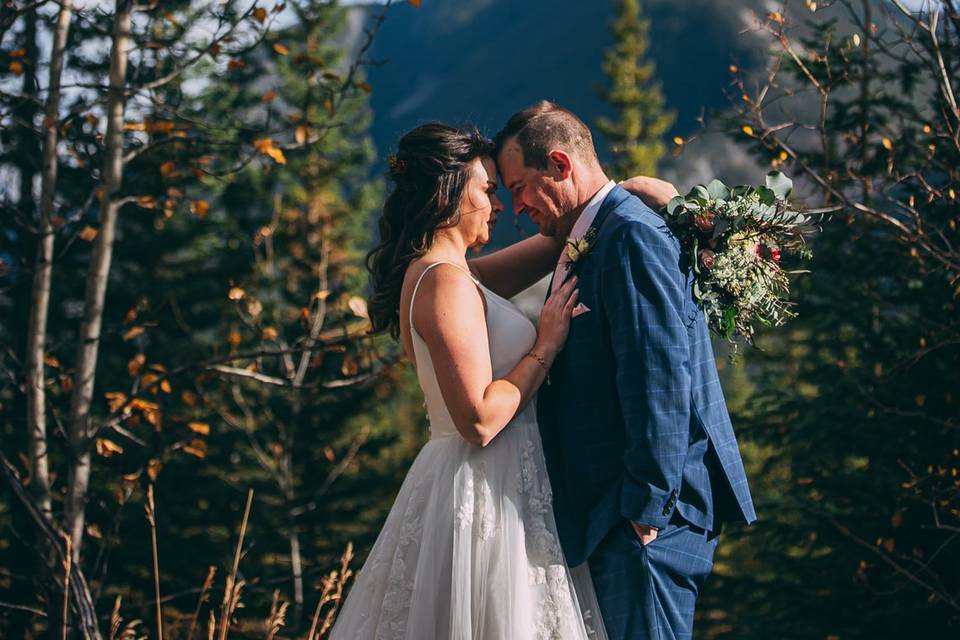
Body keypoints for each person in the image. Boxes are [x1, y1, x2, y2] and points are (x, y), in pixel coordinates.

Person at [494, 101, 757, 640]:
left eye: (519, 186)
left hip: (643, 517)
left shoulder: (629, 235)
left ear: (561, 166)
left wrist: (645, 512)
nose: (516, 205)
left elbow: (658, 376)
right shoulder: (601, 232)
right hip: (619, 513)